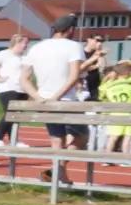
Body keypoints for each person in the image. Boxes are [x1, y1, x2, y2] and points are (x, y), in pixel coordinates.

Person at [25, 14, 87, 184]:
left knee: (57, 139)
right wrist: (57, 96)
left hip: (45, 102)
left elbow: (24, 79)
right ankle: (57, 171)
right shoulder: (74, 46)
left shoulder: (37, 48)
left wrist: (38, 97)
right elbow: (74, 76)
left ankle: (60, 176)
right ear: (71, 29)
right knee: (82, 138)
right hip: (66, 101)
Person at [0, 33, 31, 146]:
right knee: (10, 113)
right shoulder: (4, 54)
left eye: (27, 44)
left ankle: (13, 139)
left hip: (22, 89)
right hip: (8, 88)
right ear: (17, 43)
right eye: (24, 43)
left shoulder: (25, 57)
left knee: (17, 116)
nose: (26, 46)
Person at [101, 59, 131, 154]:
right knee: (128, 138)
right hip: (130, 114)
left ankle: (107, 158)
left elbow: (101, 92)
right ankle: (126, 160)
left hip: (116, 114)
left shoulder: (108, 87)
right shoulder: (129, 82)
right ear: (128, 73)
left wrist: (107, 78)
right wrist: (130, 61)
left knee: (113, 137)